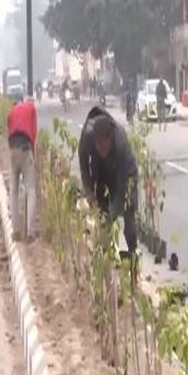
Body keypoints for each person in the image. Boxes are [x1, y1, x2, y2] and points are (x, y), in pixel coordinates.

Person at [78, 107, 139, 260]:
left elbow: (121, 187)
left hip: (125, 173)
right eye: (98, 146)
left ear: (110, 138)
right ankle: (103, 257)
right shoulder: (87, 138)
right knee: (102, 215)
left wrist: (113, 213)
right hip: (102, 172)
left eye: (104, 146)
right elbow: (84, 166)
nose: (101, 149)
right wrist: (89, 192)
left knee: (128, 214)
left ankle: (132, 256)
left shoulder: (120, 143)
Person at [7, 98, 38, 242]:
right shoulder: (31, 108)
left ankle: (15, 230)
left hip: (13, 149)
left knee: (13, 191)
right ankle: (30, 232)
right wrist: (34, 156)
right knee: (30, 190)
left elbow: (9, 132)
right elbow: (33, 133)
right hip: (25, 149)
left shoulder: (12, 112)